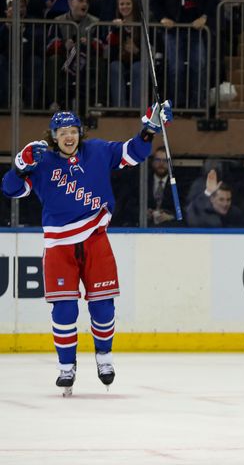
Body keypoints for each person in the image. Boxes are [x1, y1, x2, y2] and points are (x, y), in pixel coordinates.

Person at [0, 101, 173, 396]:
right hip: (59, 246)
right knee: (64, 310)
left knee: (103, 306)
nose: (69, 136)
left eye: (73, 131)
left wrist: (150, 129)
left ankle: (104, 357)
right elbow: (9, 189)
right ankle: (66, 367)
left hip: (95, 241)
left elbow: (133, 153)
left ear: (81, 132)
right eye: (62, 131)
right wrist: (19, 165)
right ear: (53, 136)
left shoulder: (98, 151)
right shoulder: (40, 161)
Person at [150, 0, 218, 109]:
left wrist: (204, 17)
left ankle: (198, 105)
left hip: (196, 28)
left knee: (199, 64)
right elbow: (154, 1)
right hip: (174, 28)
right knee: (176, 67)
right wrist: (162, 18)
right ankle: (177, 105)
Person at [45, 0, 105, 112]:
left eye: (87, 2)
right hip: (65, 58)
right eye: (81, 1)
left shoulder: (95, 22)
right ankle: (54, 102)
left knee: (99, 62)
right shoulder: (58, 20)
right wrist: (63, 45)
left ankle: (97, 103)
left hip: (86, 57)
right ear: (71, 3)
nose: (85, 4)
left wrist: (90, 44)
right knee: (53, 60)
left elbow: (102, 45)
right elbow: (49, 45)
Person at [0, 0, 45, 109]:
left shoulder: (33, 22)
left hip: (27, 58)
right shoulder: (2, 23)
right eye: (15, 6)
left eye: (22, 6)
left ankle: (30, 105)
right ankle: (6, 104)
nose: (19, 9)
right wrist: (6, 28)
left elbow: (38, 45)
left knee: (36, 62)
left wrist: (24, 30)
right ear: (7, 9)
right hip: (7, 59)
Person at [106, 0, 141, 109]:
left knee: (138, 68)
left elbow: (150, 50)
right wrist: (116, 30)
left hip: (138, 60)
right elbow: (110, 52)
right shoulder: (115, 25)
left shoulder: (142, 24)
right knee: (115, 67)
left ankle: (135, 109)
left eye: (128, 4)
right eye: (121, 4)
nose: (124, 7)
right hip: (120, 60)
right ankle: (119, 108)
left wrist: (136, 51)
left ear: (133, 5)